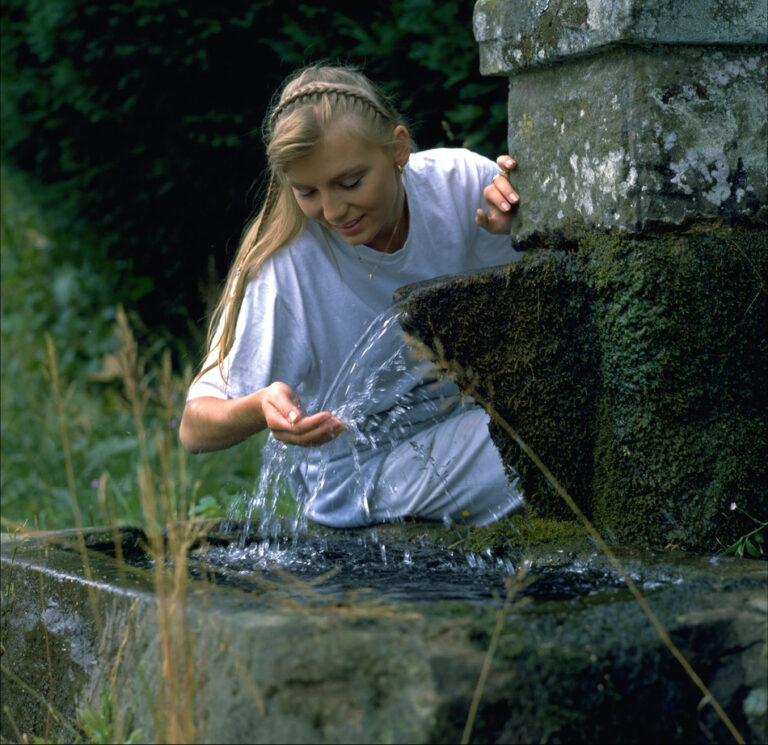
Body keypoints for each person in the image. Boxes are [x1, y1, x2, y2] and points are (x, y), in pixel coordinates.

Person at [180, 64, 524, 528]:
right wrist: (259, 406)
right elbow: (194, 428)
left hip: (461, 421)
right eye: (307, 191)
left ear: (398, 148)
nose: (333, 210)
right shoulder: (285, 271)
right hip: (357, 475)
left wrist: (521, 225)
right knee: (536, 440)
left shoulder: (459, 185)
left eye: (349, 182)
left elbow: (536, 290)